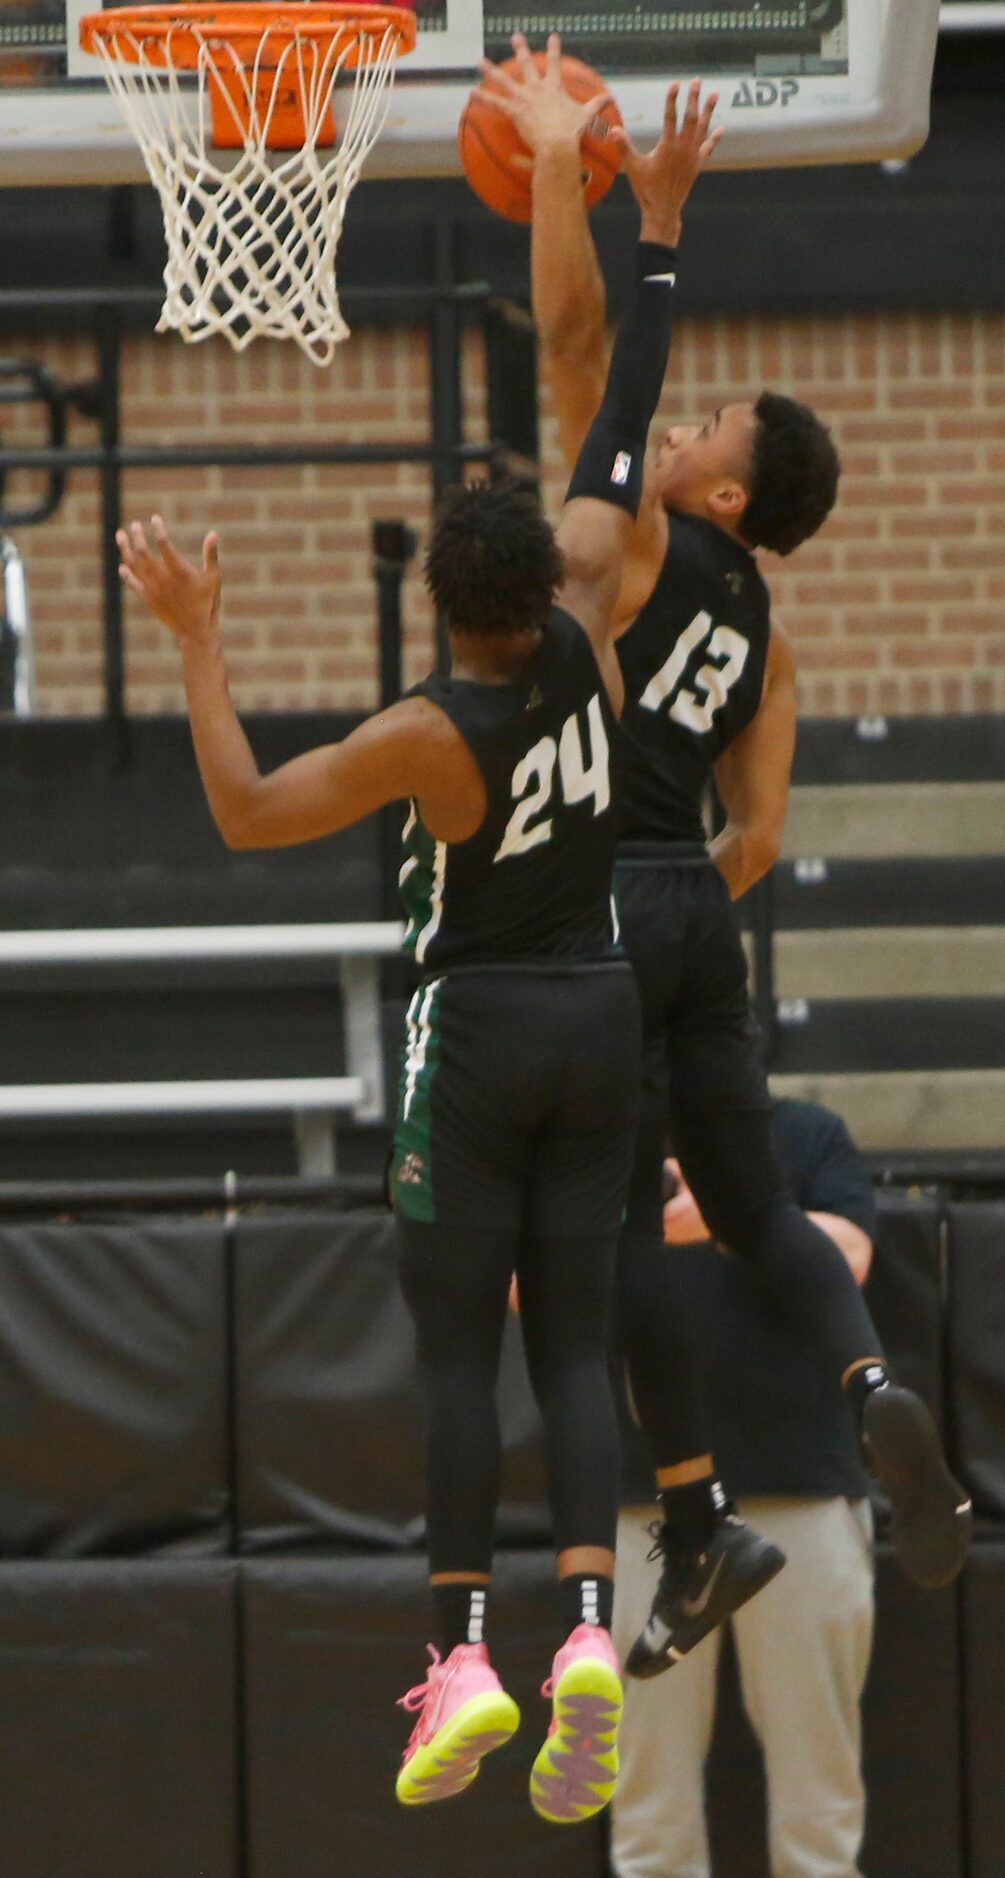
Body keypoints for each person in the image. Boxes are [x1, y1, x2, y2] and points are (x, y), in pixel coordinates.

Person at [116, 65, 719, 1825]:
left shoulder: (420, 733)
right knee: (581, 1329)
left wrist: (200, 639)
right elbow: (611, 391)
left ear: (440, 606)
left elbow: (240, 810)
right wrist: (649, 221)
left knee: (463, 1353)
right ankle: (591, 1620)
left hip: (479, 1035)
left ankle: (463, 1653)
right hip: (606, 1014)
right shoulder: (598, 628)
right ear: (544, 579)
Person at [484, 32, 972, 1676]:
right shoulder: (767, 624)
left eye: (705, 426)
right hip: (695, 896)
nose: (676, 425)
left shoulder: (635, 547)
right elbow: (761, 834)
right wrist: (681, 919)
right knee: (754, 1203)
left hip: (602, 896)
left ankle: (694, 1531)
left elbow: (577, 340)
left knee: (614, 1234)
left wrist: (563, 165)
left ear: (727, 480)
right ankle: (872, 1388)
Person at [611, 1100, 877, 1878]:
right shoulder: (595, 1136)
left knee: (818, 1801)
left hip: (800, 1491)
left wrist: (731, 1217)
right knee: (647, 1803)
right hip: (643, 1511)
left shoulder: (804, 1132)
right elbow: (525, 1283)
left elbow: (853, 1255)